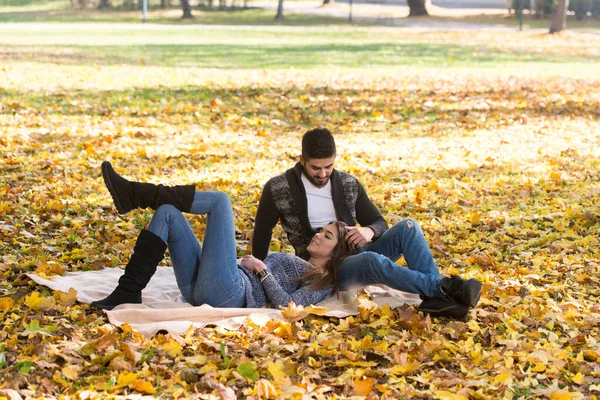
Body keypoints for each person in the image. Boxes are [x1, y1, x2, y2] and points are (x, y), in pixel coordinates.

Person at [252, 128, 482, 319]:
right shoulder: (278, 188)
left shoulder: (348, 183)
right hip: (324, 268)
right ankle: (443, 288)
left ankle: (436, 299)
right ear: (302, 160)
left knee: (409, 227)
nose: (323, 174)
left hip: (358, 250)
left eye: (328, 167)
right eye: (315, 168)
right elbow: (262, 231)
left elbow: (378, 222)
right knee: (370, 260)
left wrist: (369, 230)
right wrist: (258, 272)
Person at [92, 161, 355, 311]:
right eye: (322, 230)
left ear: (336, 254)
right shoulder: (303, 264)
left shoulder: (322, 280)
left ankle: (136, 194)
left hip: (229, 293)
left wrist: (262, 269)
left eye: (328, 236)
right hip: (199, 289)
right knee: (168, 212)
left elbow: (290, 305)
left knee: (220, 201)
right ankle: (128, 290)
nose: (318, 235)